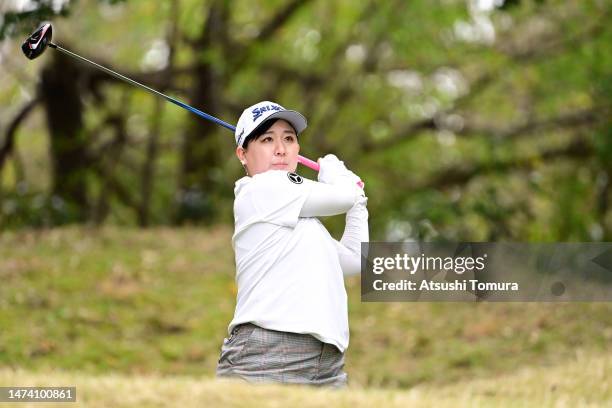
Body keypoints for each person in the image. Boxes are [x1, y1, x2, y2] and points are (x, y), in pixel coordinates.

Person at [216, 101, 368, 387]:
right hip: (268, 354)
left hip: (327, 362)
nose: (280, 149)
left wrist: (360, 204)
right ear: (243, 155)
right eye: (266, 139)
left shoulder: (304, 222)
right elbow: (342, 196)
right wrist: (337, 173)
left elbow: (355, 259)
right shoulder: (261, 189)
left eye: (288, 138)